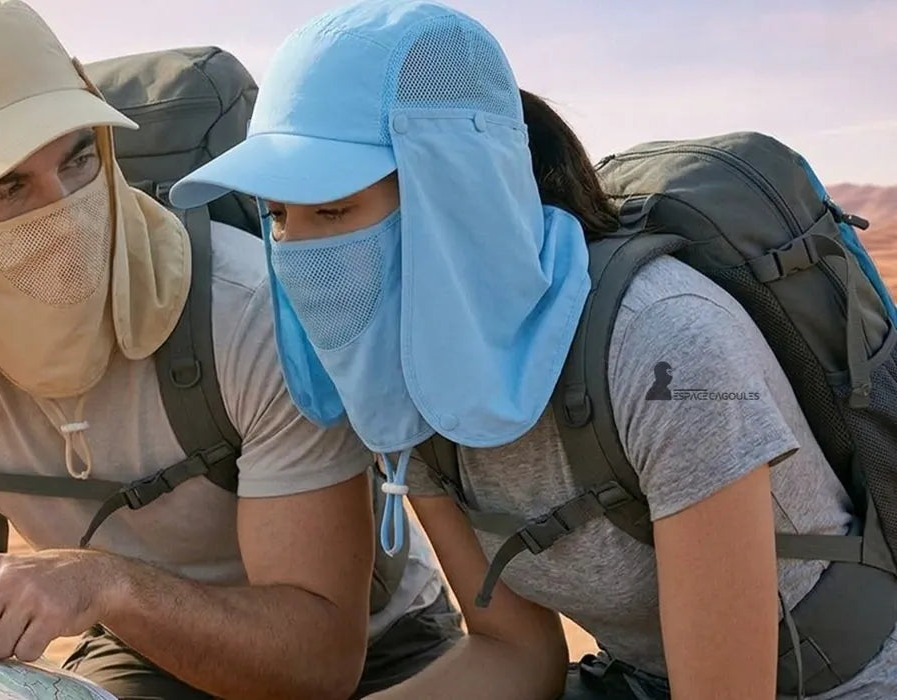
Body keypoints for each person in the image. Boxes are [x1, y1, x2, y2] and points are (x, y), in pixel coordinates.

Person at [169, 1, 897, 698]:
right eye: (277, 216)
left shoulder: (664, 344)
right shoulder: (404, 373)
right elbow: (513, 652)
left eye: (331, 210)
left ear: (456, 194)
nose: (296, 249)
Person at [0, 1, 461, 698]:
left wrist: (106, 583)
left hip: (380, 648)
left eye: (78, 159)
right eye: (6, 187)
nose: (65, 213)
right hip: (144, 649)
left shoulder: (253, 313)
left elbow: (316, 662)